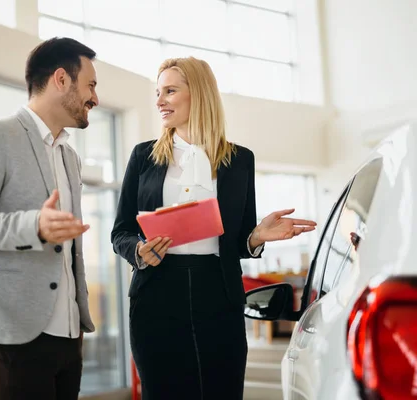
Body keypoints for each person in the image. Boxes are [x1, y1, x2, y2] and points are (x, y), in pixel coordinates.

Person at [111, 57, 316, 400]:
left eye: (170, 91)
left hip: (217, 292)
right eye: (157, 92)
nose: (160, 101)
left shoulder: (239, 160)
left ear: (200, 94)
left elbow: (238, 241)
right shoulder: (143, 156)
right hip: (156, 290)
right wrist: (138, 249)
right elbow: (120, 231)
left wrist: (256, 237)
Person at [0, 37, 99, 400]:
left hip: (67, 334)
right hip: (12, 335)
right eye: (90, 85)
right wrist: (34, 226)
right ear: (61, 79)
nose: (96, 98)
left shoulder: (69, 156)